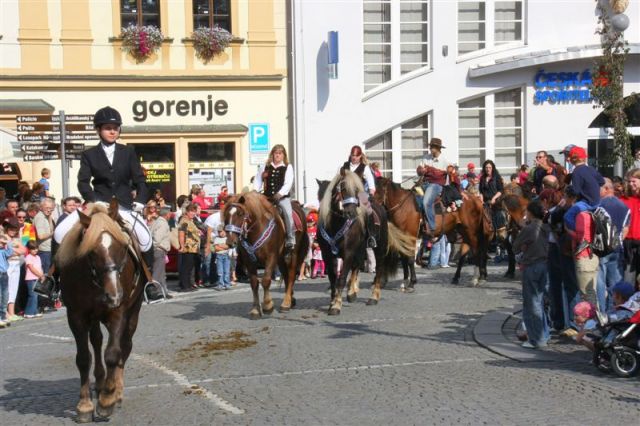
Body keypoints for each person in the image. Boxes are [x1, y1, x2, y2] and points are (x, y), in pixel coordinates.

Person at [56, 106, 152, 268]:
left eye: (115, 128)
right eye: (108, 128)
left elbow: (140, 180)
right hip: (98, 206)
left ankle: (149, 282)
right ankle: (52, 278)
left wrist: (141, 201)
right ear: (98, 130)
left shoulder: (128, 152)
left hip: (124, 208)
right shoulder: (89, 154)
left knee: (146, 239)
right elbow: (83, 182)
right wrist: (94, 201)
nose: (113, 132)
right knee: (59, 232)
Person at [512, 200, 550, 349]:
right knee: (540, 302)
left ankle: (538, 339)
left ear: (531, 213)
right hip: (545, 264)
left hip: (532, 265)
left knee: (532, 302)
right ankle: (543, 334)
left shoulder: (529, 229)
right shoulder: (547, 227)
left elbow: (515, 247)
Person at [254, 144, 296, 252]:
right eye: (275, 153)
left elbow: (288, 183)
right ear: (272, 154)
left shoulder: (288, 167)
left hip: (281, 198)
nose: (277, 155)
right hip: (266, 197)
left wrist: (280, 194)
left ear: (283, 155)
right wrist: (255, 191)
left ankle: (290, 238)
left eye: (280, 153)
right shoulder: (265, 166)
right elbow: (258, 179)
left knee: (288, 214)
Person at [596, 178, 629, 312]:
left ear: (606, 188)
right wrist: (618, 241)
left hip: (601, 249)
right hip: (616, 248)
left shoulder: (598, 206)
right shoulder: (624, 206)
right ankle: (614, 313)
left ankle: (602, 313)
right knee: (615, 284)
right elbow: (626, 228)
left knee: (600, 284)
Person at [339, 145, 378, 247]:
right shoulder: (344, 166)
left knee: (369, 211)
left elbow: (371, 185)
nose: (354, 157)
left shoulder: (364, 168)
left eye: (356, 156)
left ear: (360, 156)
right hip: (346, 195)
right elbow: (338, 180)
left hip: (360, 194)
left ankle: (371, 236)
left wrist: (370, 195)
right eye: (352, 155)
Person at [417, 138, 450, 239]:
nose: (430, 148)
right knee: (413, 197)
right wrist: (421, 171)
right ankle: (421, 220)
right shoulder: (426, 157)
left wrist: (431, 171)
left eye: (432, 146)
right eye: (430, 146)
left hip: (437, 185)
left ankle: (432, 228)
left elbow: (442, 176)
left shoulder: (445, 161)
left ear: (438, 148)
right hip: (424, 184)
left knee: (426, 202)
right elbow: (419, 171)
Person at [3, 218, 26, 323]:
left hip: (16, 264)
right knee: (5, 289)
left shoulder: (16, 239)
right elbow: (5, 251)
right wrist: (15, 250)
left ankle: (11, 312)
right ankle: (5, 313)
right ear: (7, 228)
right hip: (7, 264)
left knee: (13, 288)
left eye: (15, 229)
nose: (13, 231)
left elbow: (24, 250)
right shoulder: (3, 237)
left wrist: (13, 250)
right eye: (11, 228)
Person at [178, 203, 200, 292]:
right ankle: (184, 286)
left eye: (194, 211)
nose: (193, 213)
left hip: (193, 248)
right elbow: (181, 234)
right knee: (186, 267)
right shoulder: (184, 221)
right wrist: (182, 246)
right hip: (188, 247)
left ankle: (188, 284)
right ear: (187, 212)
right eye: (191, 211)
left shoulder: (191, 221)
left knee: (190, 267)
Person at [478, 159, 505, 233]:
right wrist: (481, 200)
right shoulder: (482, 178)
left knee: (498, 216)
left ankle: (500, 235)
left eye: (489, 167)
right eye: (486, 167)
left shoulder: (497, 177)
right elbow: (481, 191)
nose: (488, 169)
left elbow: (500, 190)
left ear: (492, 168)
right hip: (485, 203)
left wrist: (494, 198)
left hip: (495, 202)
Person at [150, 206, 172, 297]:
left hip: (158, 250)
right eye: (170, 213)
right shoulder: (162, 224)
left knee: (161, 273)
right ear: (167, 214)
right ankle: (154, 291)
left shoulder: (157, 222)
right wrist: (155, 248)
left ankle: (164, 292)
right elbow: (157, 238)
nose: (170, 215)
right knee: (157, 273)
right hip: (159, 250)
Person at [33, 197, 55, 274]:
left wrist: (49, 216)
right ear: (41, 207)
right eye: (47, 208)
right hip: (44, 250)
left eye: (51, 208)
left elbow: (51, 229)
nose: (49, 210)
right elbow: (41, 236)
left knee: (47, 272)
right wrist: (52, 234)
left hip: (47, 249)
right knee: (45, 273)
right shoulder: (40, 217)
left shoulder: (46, 216)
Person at [23, 240, 44, 318]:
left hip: (37, 278)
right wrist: (40, 275)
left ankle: (34, 311)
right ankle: (28, 312)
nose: (35, 250)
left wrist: (42, 275)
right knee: (32, 296)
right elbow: (31, 268)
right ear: (29, 249)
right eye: (33, 249)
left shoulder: (38, 257)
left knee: (36, 295)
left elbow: (40, 267)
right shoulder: (28, 257)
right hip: (31, 279)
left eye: (36, 248)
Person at [0, 233, 16, 329]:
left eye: (2, 243)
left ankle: (3, 315)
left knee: (5, 296)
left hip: (4, 274)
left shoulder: (3, 251)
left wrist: (7, 243)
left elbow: (10, 252)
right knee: (0, 295)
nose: (1, 244)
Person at [213, 224, 231, 290]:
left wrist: (221, 246)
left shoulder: (227, 238)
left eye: (223, 231)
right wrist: (224, 247)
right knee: (220, 271)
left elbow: (228, 246)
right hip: (219, 256)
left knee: (227, 271)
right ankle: (220, 284)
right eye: (219, 232)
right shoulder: (216, 238)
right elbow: (216, 248)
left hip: (226, 256)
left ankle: (227, 284)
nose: (221, 233)